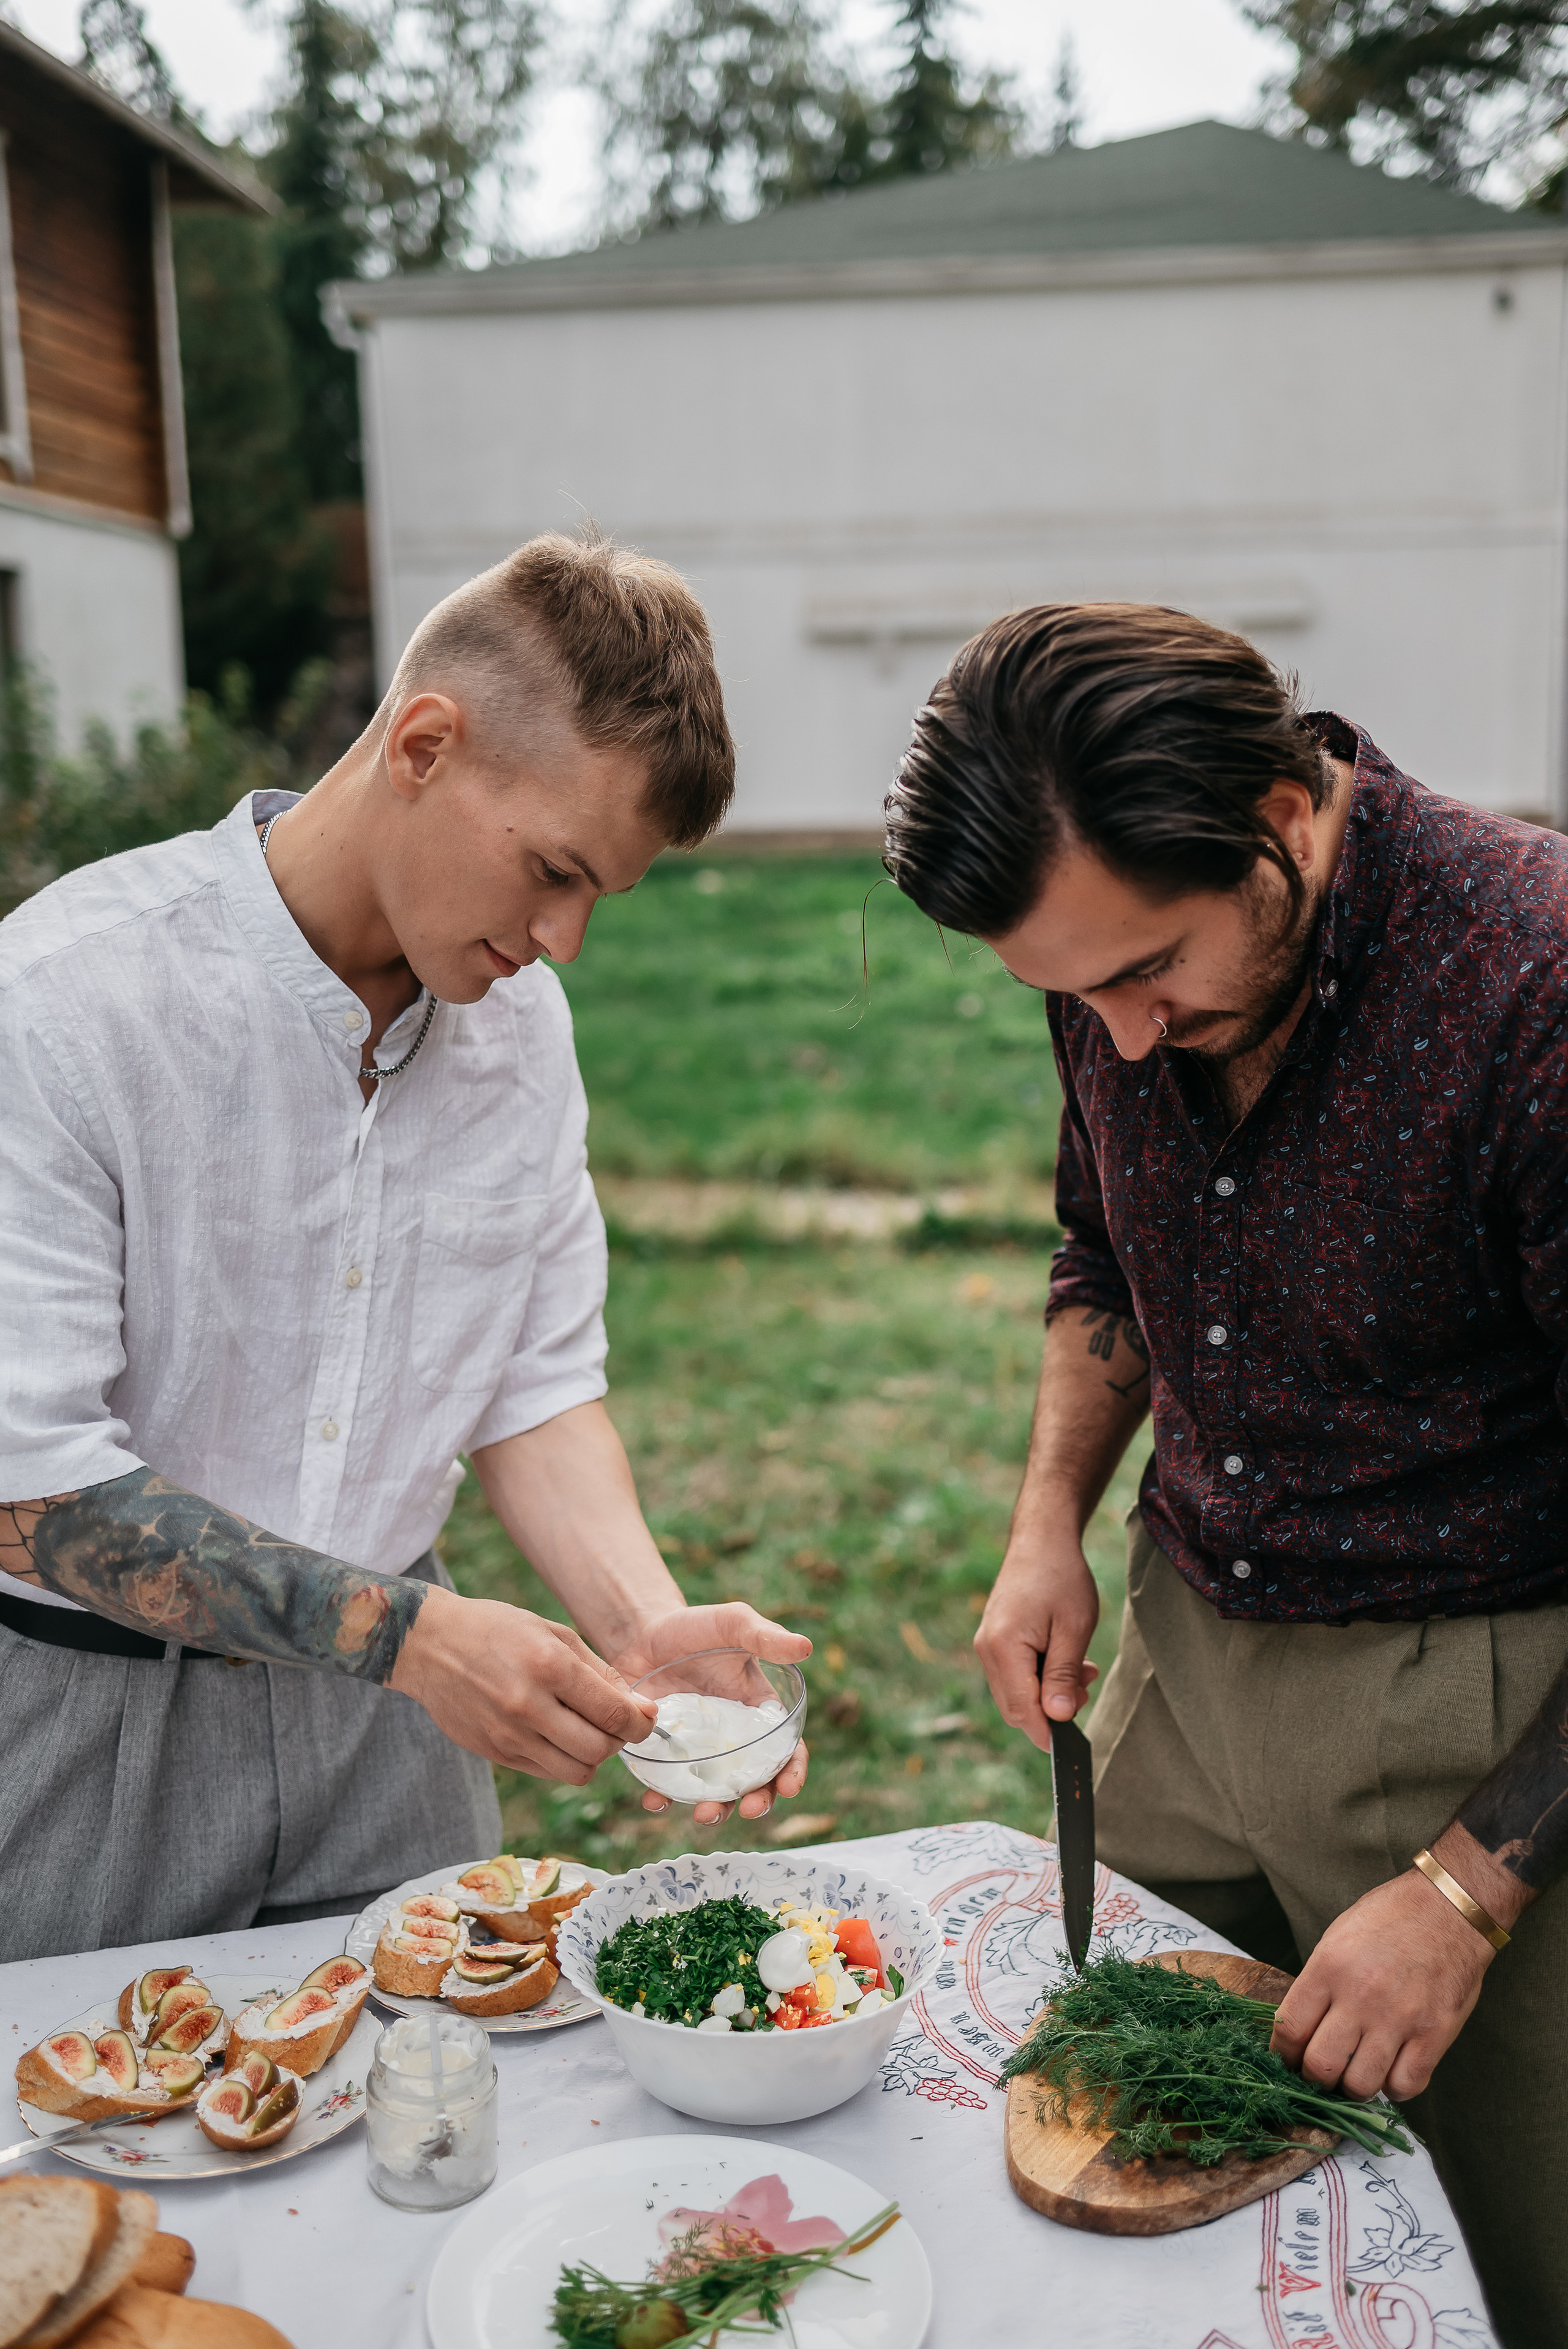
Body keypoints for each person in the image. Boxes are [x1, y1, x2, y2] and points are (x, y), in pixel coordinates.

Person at [883, 603, 1568, 2347]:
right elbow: (1100, 1254)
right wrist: (1048, 1525)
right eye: (1068, 994)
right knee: (1111, 2194)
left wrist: (1463, 1891)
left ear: (1278, 814)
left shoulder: (1533, 988)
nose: (1115, 1035)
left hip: (1472, 1725)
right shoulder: (1110, 977)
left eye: (1147, 971)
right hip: (1179, 1666)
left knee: (1498, 2256)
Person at [0, 528, 808, 1964]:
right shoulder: (63, 1005)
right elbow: (24, 1489)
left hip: (395, 1744)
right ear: (424, 744)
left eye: (597, 898)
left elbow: (533, 1383)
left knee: (439, 2135)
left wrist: (643, 1625)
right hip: (83, 1730)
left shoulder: (523, 1034)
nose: (564, 942)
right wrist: (409, 1638)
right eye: (551, 871)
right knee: (75, 2162)